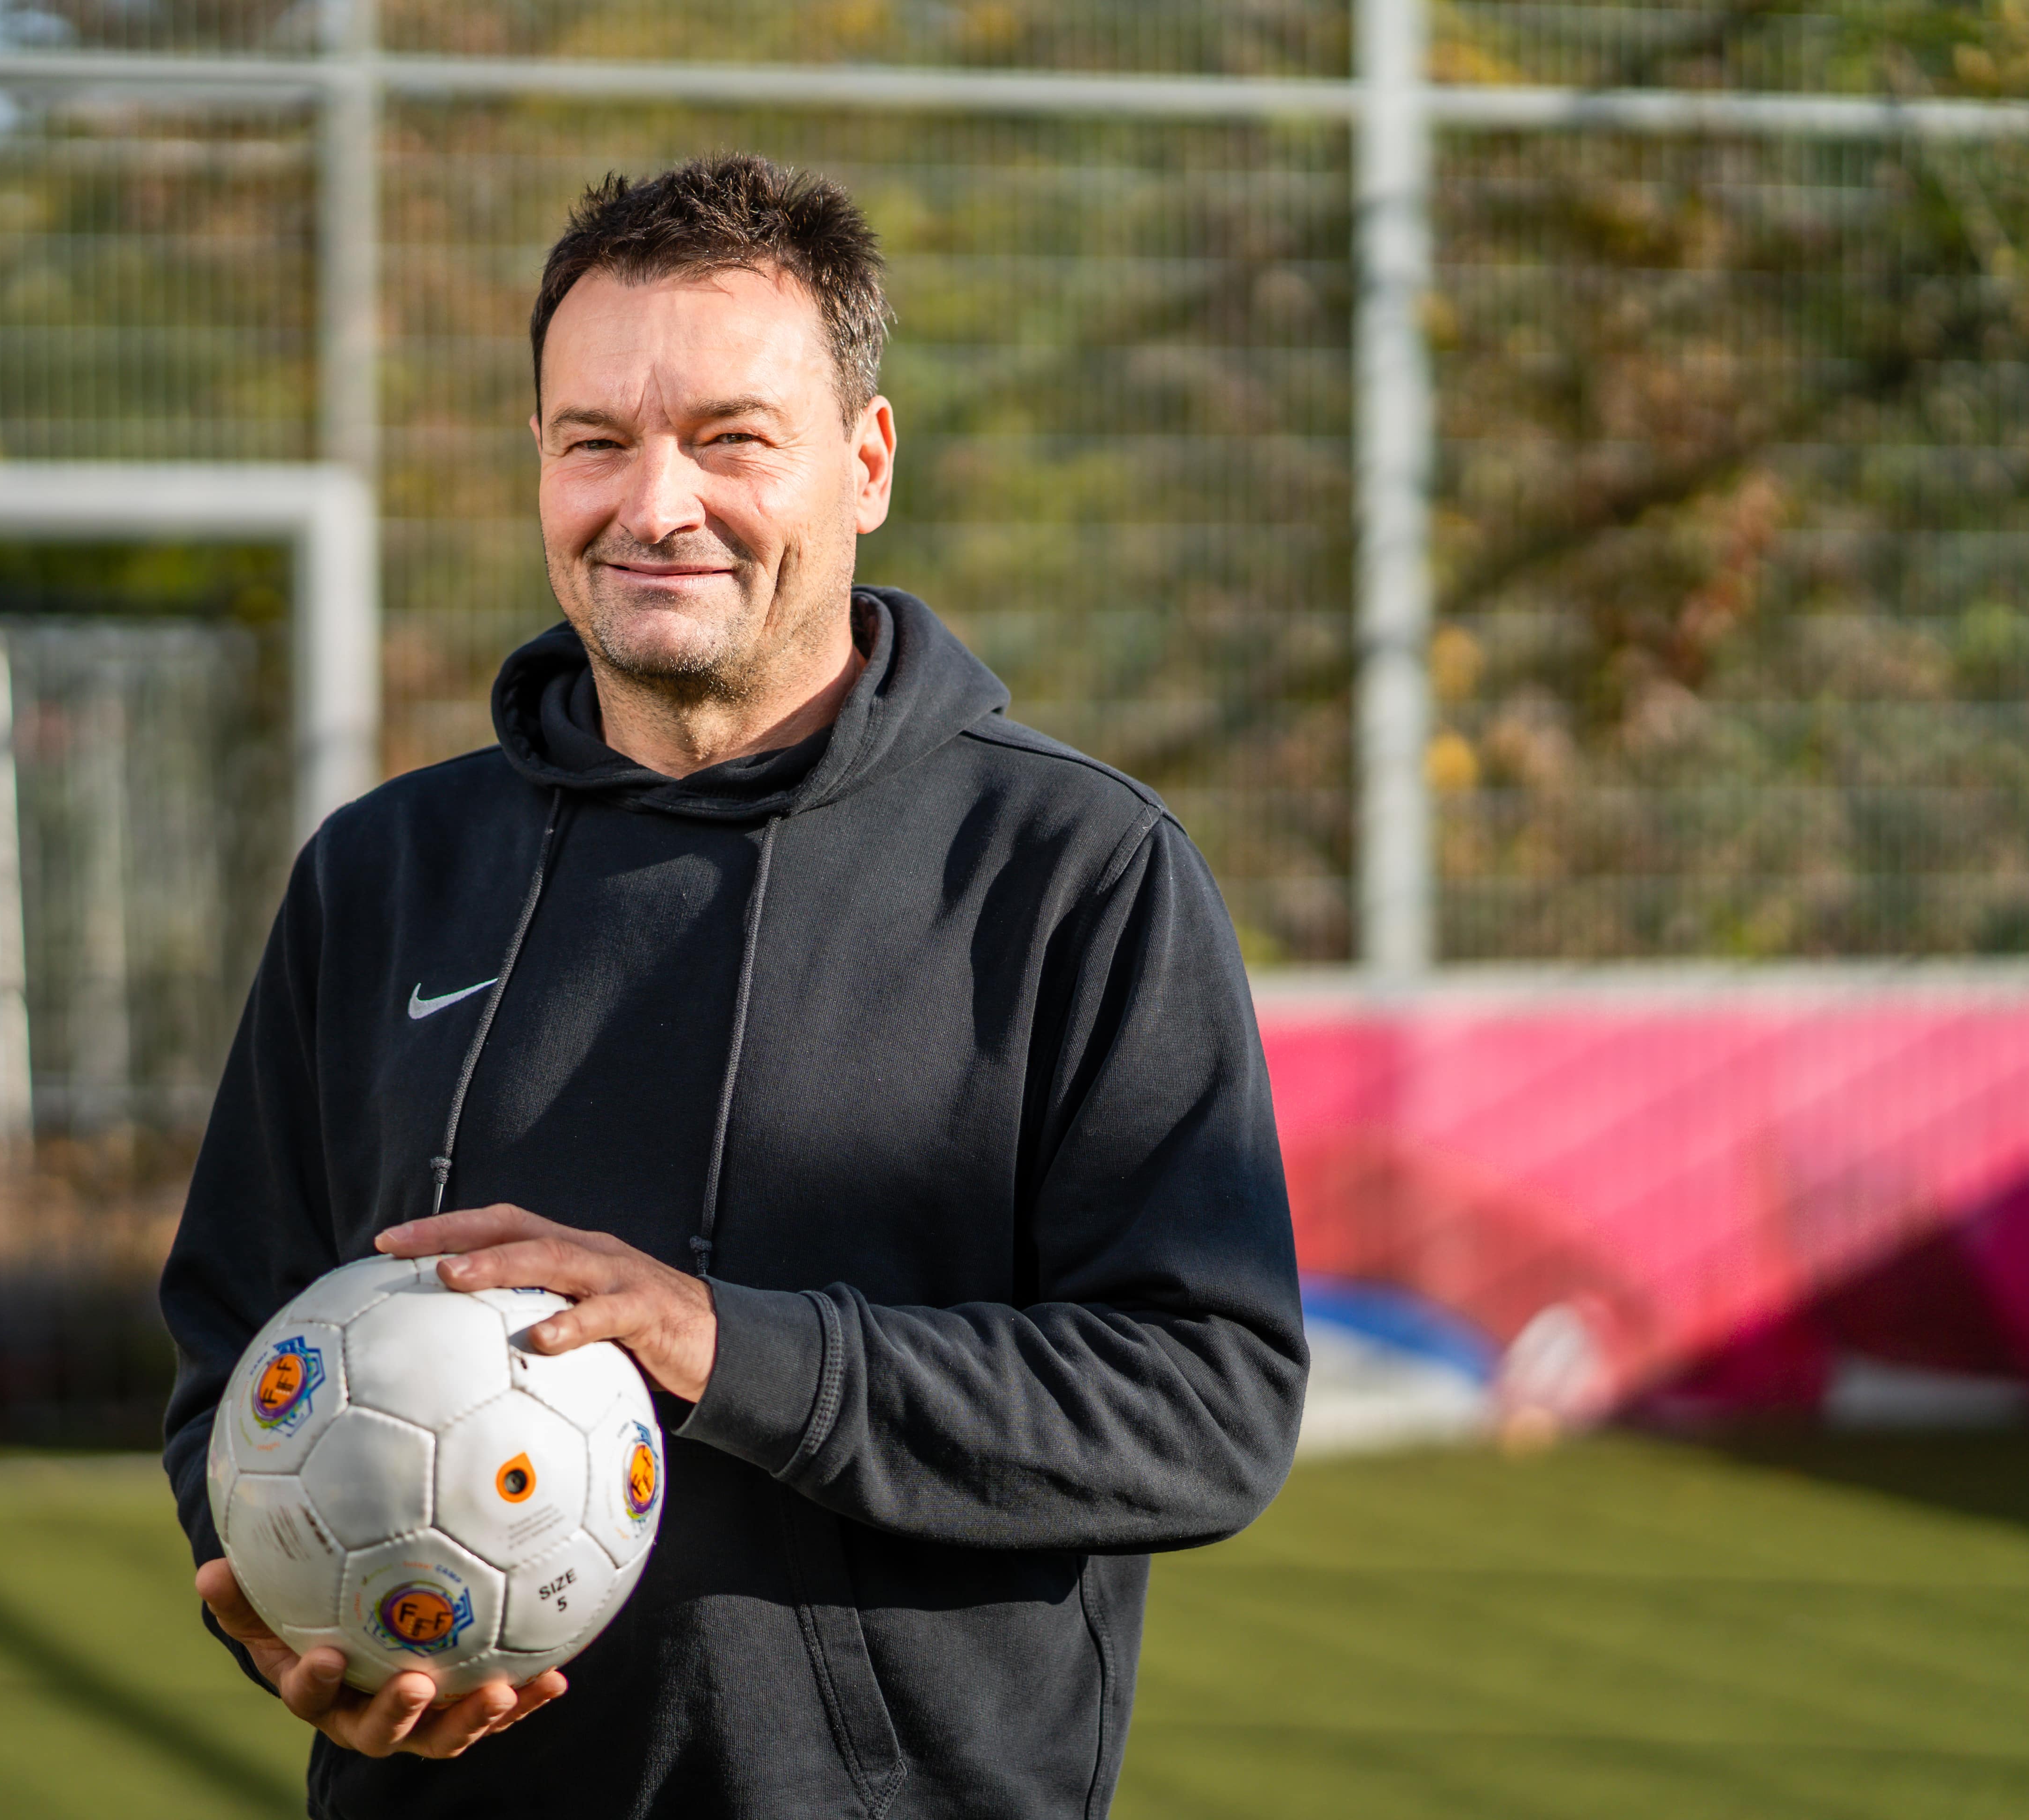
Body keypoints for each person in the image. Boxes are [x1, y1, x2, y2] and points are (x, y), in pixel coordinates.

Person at [162, 153, 1305, 1820]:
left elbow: (1206, 1402)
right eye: (594, 442)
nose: (654, 503)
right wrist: (284, 1617)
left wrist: (729, 1349)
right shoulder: (382, 872)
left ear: (867, 461)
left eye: (729, 439)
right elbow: (234, 1346)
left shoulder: (1072, 872)